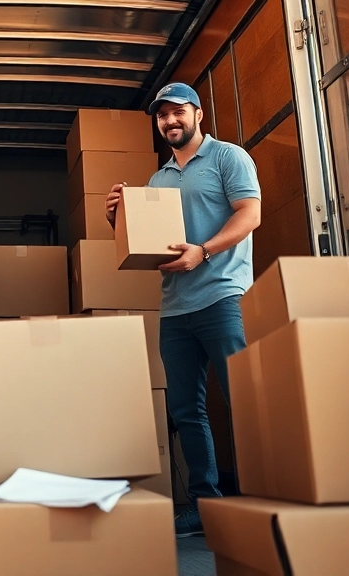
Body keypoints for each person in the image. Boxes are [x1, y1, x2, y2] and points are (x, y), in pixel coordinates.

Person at [104, 82, 261, 539]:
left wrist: (204, 251)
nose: (170, 121)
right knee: (186, 409)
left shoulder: (228, 157)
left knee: (244, 402)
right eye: (162, 116)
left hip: (224, 296)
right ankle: (204, 504)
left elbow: (250, 214)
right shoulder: (158, 180)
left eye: (177, 112)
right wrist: (118, 218)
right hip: (175, 308)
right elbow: (149, 245)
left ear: (198, 114)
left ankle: (261, 499)